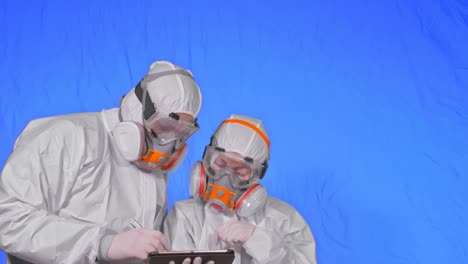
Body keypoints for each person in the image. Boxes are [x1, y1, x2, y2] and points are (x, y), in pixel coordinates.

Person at [0, 61, 203, 264]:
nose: (168, 143)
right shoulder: (64, 137)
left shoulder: (155, 172)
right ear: (139, 107)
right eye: (165, 127)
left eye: (181, 134)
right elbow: (7, 218)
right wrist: (102, 244)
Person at [163, 114, 317, 264]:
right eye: (220, 165)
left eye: (240, 172)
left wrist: (259, 241)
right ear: (208, 159)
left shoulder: (284, 219)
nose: (225, 177)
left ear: (256, 175)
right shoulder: (185, 216)